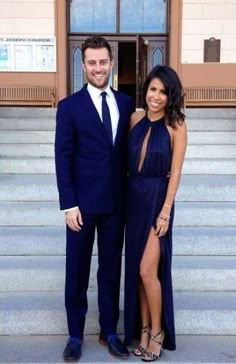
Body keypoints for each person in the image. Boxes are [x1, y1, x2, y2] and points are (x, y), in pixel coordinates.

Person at [55, 36, 135, 362]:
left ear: (111, 63)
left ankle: (109, 331)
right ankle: (75, 335)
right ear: (83, 64)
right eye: (92, 62)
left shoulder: (127, 103)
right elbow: (63, 157)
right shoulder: (69, 107)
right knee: (76, 270)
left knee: (110, 270)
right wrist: (68, 204)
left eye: (103, 62)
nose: (98, 68)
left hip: (116, 205)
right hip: (82, 207)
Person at [124, 65, 187, 362]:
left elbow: (175, 173)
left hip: (157, 201)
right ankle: (145, 329)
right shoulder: (135, 119)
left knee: (148, 270)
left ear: (170, 95)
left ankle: (158, 332)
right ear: (145, 89)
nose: (157, 96)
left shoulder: (177, 125)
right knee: (138, 273)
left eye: (163, 92)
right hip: (133, 200)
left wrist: (165, 213)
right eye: (153, 89)